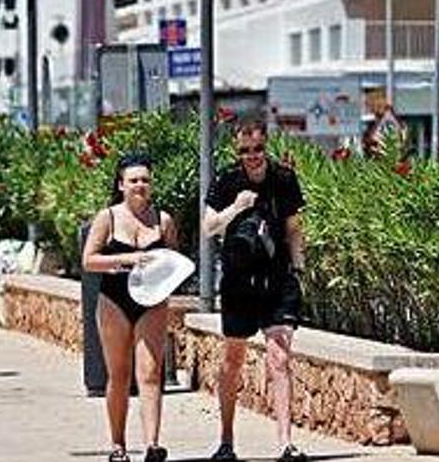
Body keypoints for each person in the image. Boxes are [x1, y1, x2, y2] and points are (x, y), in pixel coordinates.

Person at [202, 118, 309, 462]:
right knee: (233, 361)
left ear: (267, 146)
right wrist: (236, 207)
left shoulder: (283, 178)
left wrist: (300, 269)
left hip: (277, 280)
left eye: (258, 149)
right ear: (237, 152)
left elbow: (294, 229)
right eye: (245, 151)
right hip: (238, 282)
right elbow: (207, 228)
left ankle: (285, 443)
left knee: (280, 357)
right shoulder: (226, 180)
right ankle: (226, 441)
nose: (252, 156)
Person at [81, 154, 178, 462]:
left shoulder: (163, 220)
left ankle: (152, 445)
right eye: (133, 180)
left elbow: (174, 260)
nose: (140, 185)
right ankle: (118, 445)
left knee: (150, 373)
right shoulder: (107, 217)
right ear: (121, 185)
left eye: (145, 180)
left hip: (152, 301)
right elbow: (89, 260)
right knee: (119, 375)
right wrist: (127, 259)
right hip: (114, 301)